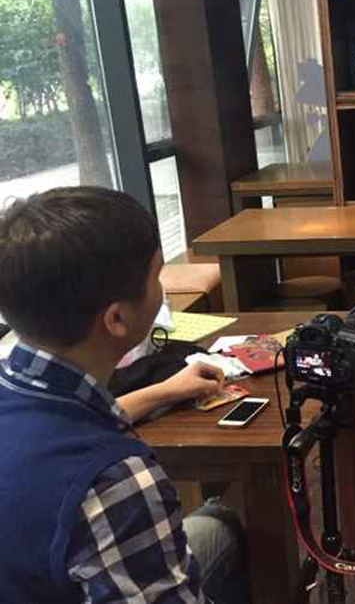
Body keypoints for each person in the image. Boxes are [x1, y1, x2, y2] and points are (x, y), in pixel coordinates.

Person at [0, 187, 252, 602]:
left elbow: (64, 422)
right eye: (156, 277)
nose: (162, 288)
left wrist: (164, 391)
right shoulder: (116, 480)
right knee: (221, 521)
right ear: (117, 318)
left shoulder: (17, 388)